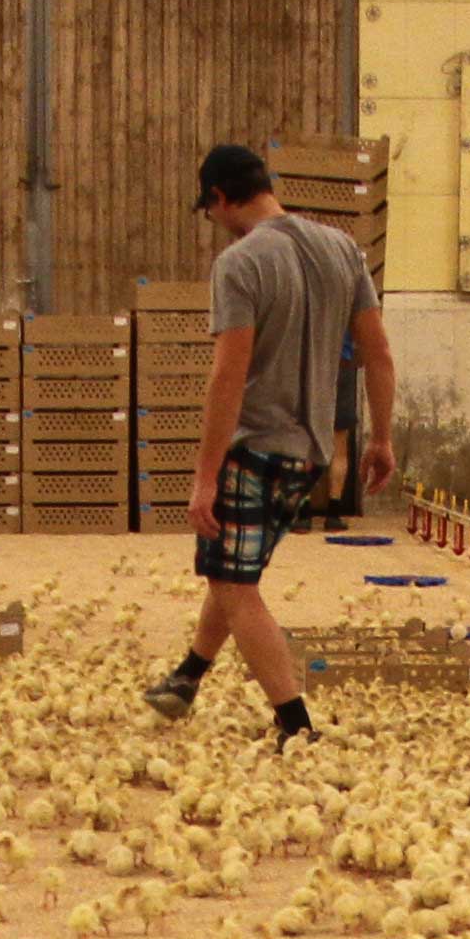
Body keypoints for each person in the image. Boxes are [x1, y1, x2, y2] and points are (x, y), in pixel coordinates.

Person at [147, 144, 391, 749]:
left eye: (209, 210)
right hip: (310, 451)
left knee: (236, 585)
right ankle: (188, 676)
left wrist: (205, 476)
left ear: (219, 197)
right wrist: (382, 437)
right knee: (234, 567)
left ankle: (295, 723)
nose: (214, 220)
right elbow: (378, 352)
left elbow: (228, 375)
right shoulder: (342, 249)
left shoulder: (240, 263)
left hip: (255, 443)